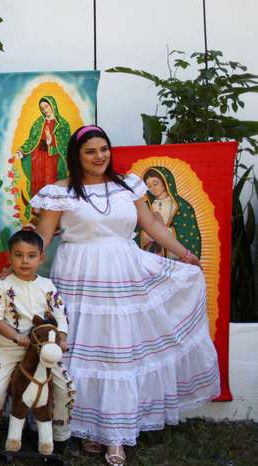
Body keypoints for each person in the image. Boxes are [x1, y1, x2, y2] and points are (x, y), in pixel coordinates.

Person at [30, 125, 219, 466]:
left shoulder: (128, 185)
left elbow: (151, 226)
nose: (99, 156)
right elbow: (42, 237)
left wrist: (184, 253)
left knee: (118, 352)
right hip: (78, 274)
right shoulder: (58, 193)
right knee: (81, 353)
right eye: (90, 151)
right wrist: (20, 267)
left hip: (123, 270)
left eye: (104, 149)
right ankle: (88, 430)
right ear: (77, 156)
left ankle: (116, 437)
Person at [0, 230, 74, 459]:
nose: (25, 261)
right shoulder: (3, 286)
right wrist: (15, 335)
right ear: (10, 256)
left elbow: (61, 315)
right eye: (18, 255)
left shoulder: (47, 286)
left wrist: (62, 339)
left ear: (41, 258)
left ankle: (60, 435)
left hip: (44, 351)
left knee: (64, 385)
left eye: (31, 255)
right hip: (10, 347)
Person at [138, 167, 202, 259]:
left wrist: (157, 232)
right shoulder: (146, 206)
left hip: (174, 259)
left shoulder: (182, 207)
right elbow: (137, 231)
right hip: (152, 259)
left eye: (155, 184)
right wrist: (144, 236)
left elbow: (189, 234)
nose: (152, 188)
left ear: (165, 182)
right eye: (149, 186)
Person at [16, 96, 71, 200]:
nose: (45, 110)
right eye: (42, 108)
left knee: (50, 182)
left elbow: (65, 144)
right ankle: (37, 208)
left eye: (46, 106)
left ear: (52, 106)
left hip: (52, 158)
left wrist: (51, 140)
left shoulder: (62, 124)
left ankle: (51, 208)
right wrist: (22, 151)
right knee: (38, 182)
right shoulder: (39, 123)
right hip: (38, 158)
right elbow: (32, 140)